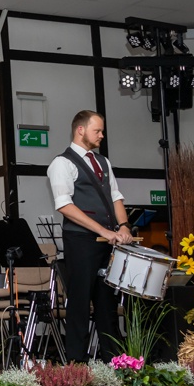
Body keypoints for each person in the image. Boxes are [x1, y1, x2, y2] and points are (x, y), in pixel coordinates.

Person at [47, 110, 133, 363]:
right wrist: (103, 230)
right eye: (97, 131)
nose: (102, 135)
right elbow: (64, 205)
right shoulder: (61, 163)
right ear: (80, 130)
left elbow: (115, 196)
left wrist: (124, 226)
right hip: (81, 242)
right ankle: (76, 364)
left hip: (107, 243)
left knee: (107, 304)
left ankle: (114, 361)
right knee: (80, 303)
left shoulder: (103, 162)